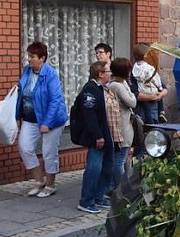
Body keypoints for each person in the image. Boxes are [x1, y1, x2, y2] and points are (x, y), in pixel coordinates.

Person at [15, 42, 68, 198]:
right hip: (31, 118)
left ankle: (50, 185)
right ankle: (39, 180)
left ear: (42, 58)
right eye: (28, 56)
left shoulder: (50, 74)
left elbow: (55, 100)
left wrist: (47, 123)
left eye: (32, 56)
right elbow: (24, 90)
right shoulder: (27, 71)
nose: (29, 59)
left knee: (48, 152)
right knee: (24, 147)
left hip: (52, 120)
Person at [77, 61, 114, 214]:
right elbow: (89, 115)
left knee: (108, 164)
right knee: (94, 167)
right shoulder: (90, 90)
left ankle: (99, 195)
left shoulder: (100, 89)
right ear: (100, 74)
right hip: (97, 135)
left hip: (105, 132)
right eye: (108, 71)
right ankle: (86, 201)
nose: (110, 74)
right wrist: (98, 136)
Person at [107, 57, 136, 185]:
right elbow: (132, 102)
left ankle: (125, 184)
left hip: (121, 126)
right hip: (122, 127)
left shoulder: (116, 83)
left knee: (124, 159)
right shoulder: (117, 86)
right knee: (119, 160)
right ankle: (120, 187)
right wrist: (133, 93)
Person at [131, 43, 166, 124]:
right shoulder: (150, 68)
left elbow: (165, 89)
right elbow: (159, 83)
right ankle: (161, 113)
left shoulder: (135, 68)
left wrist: (160, 94)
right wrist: (158, 93)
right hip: (148, 103)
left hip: (144, 93)